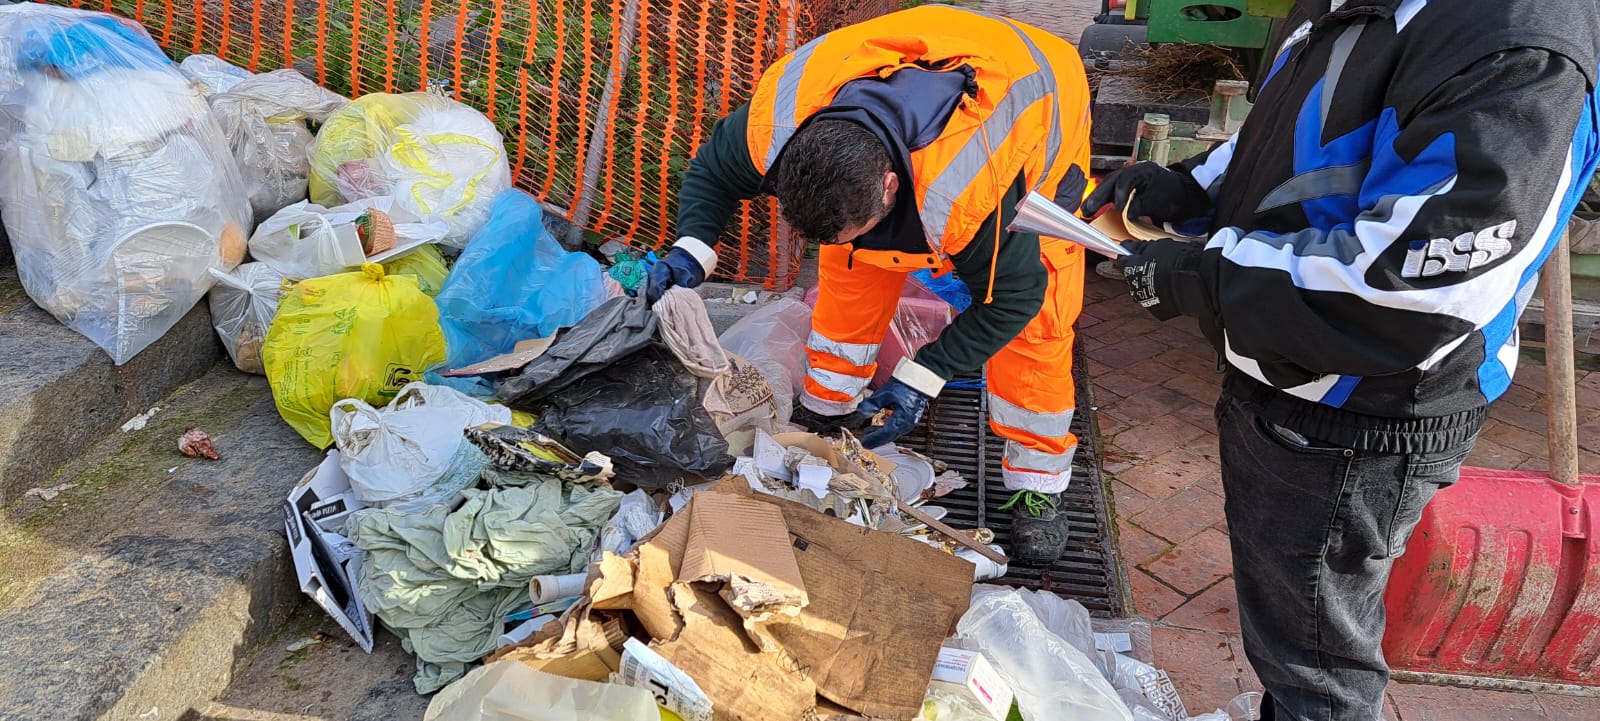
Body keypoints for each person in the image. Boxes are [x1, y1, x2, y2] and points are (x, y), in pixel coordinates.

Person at [1085, 1, 1600, 719]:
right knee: (1290, 633)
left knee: (1317, 669)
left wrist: (1198, 277)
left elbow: (1412, 293)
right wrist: (1196, 187)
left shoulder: (1515, 48)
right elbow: (1293, 130)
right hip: (1284, 369)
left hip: (1359, 416)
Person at [645, 4, 1095, 564]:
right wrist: (692, 249)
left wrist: (923, 376)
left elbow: (1013, 299)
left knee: (1040, 325)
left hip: (1039, 92)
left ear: (887, 187)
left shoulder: (967, 187)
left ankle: (1037, 482)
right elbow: (714, 172)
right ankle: (829, 414)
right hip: (913, 78)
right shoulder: (775, 128)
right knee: (851, 274)